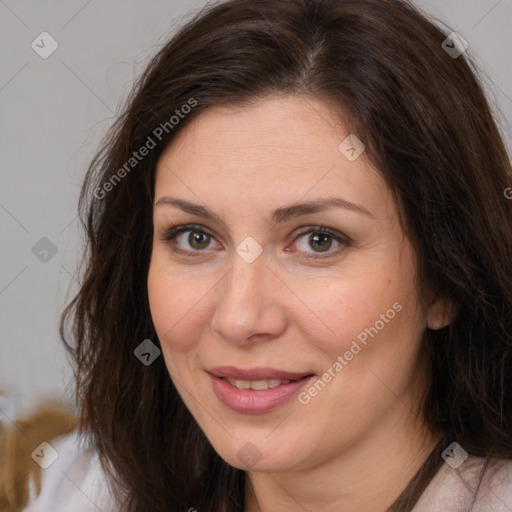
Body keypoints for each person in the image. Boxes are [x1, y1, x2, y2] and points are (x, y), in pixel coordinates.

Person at [26, 0, 512, 510]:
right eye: (195, 237)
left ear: (444, 280)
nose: (238, 319)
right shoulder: (81, 491)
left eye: (318, 240)